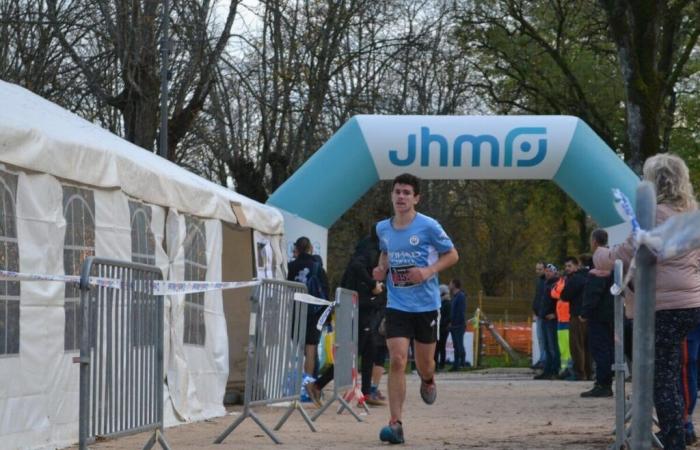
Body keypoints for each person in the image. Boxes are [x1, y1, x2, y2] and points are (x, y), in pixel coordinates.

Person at [607, 154, 700, 450]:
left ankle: (674, 438)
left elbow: (625, 252)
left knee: (661, 376)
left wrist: (599, 256)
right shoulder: (691, 213)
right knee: (672, 371)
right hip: (690, 302)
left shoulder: (654, 213)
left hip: (662, 305)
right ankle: (679, 430)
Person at [372, 173, 459, 444]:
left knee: (425, 364)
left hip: (426, 306)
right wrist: (381, 268)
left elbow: (453, 254)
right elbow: (385, 252)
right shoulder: (382, 228)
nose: (401, 196)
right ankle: (395, 424)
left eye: (407, 193)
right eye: (397, 191)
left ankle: (428, 379)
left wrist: (428, 271)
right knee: (397, 359)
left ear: (416, 198)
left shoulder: (429, 226)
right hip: (397, 304)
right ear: (391, 195)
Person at [306, 235, 385, 407]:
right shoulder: (366, 252)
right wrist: (372, 284)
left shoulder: (374, 251)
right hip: (358, 309)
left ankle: (366, 393)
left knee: (370, 350)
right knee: (352, 354)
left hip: (367, 308)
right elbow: (357, 267)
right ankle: (318, 384)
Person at [287, 236, 329, 377]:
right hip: (314, 312)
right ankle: (308, 385)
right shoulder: (317, 267)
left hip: (295, 310)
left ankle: (295, 383)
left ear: (296, 249)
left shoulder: (290, 267)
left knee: (297, 349)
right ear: (311, 248)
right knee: (311, 348)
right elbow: (325, 292)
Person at [580, 236, 615, 397]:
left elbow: (594, 292)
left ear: (593, 241)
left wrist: (585, 312)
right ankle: (605, 381)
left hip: (599, 315)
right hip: (611, 313)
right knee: (608, 349)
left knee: (600, 349)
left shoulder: (599, 261)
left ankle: (603, 384)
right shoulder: (612, 258)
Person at [560, 256, 592, 381]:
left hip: (576, 316)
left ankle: (580, 373)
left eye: (569, 266)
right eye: (566, 266)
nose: (567, 269)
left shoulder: (575, 279)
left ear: (577, 266)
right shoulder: (589, 277)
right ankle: (589, 372)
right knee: (587, 346)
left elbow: (565, 295)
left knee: (576, 345)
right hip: (588, 315)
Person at [534, 263, 561, 380]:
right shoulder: (545, 284)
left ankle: (554, 370)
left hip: (552, 320)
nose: (547, 273)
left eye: (550, 271)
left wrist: (555, 314)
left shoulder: (557, 284)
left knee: (553, 346)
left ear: (555, 272)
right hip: (543, 318)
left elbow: (561, 302)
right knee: (546, 346)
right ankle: (547, 369)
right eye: (546, 271)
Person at [531, 261, 547, 370]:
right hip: (538, 314)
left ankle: (544, 359)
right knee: (540, 338)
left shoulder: (546, 282)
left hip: (544, 315)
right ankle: (542, 358)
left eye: (540, 269)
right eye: (537, 269)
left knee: (545, 338)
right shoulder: (539, 282)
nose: (538, 271)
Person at [449, 279, 467, 371]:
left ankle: (462, 363)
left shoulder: (460, 296)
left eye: (450, 283)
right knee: (456, 345)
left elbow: (460, 312)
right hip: (454, 325)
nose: (449, 285)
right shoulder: (454, 297)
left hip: (458, 325)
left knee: (459, 344)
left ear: (454, 285)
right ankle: (456, 365)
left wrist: (458, 323)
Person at [435, 284, 452, 370]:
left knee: (440, 347)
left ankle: (441, 365)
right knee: (438, 347)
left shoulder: (447, 303)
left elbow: (447, 317)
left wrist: (440, 323)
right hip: (439, 327)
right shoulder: (441, 302)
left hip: (443, 328)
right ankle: (436, 364)